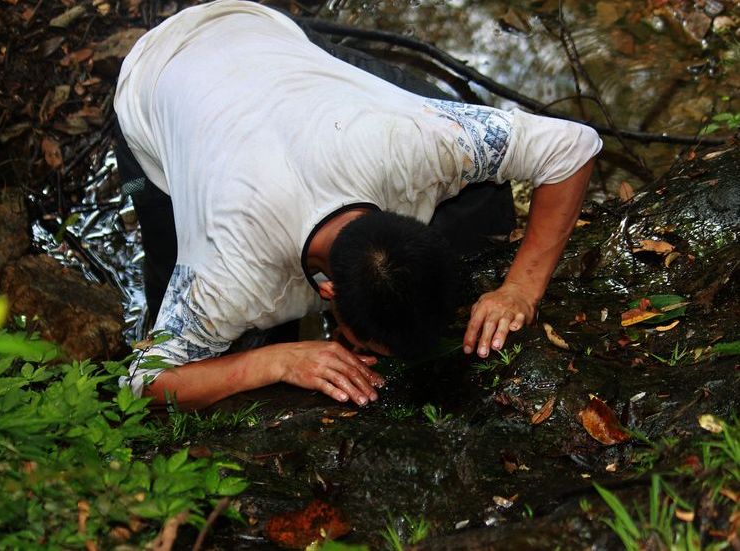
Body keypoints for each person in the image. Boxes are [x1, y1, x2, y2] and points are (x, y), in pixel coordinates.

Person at [114, 0, 602, 410]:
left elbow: (572, 147)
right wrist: (277, 361)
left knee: (481, 206)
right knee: (213, 318)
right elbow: (142, 381)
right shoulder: (227, 277)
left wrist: (520, 289)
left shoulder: (419, 144)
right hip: (153, 83)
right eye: (366, 347)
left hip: (264, 34)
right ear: (328, 293)